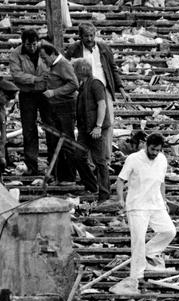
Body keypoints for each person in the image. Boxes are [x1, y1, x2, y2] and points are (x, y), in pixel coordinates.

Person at [110, 133, 176, 295]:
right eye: (153, 149)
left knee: (169, 231)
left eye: (158, 150)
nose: (155, 153)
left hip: (156, 204)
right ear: (146, 145)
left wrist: (165, 201)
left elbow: (161, 182)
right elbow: (120, 180)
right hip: (137, 205)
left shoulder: (162, 159)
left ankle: (150, 251)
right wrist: (120, 200)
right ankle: (136, 276)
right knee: (138, 240)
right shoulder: (133, 158)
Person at [65, 22, 130, 167]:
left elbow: (113, 69)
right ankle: (90, 162)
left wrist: (121, 89)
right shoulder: (73, 50)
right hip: (84, 90)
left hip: (103, 89)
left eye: (91, 35)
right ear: (80, 36)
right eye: (86, 36)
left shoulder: (104, 48)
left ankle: (105, 160)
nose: (89, 39)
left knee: (106, 124)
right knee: (86, 125)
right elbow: (67, 68)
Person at [9, 28, 51, 176]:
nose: (32, 48)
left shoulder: (45, 49)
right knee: (29, 129)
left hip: (46, 93)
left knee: (50, 126)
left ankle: (54, 164)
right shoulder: (16, 54)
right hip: (27, 94)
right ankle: (31, 164)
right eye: (28, 45)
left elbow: (54, 64)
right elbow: (16, 74)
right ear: (23, 43)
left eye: (34, 44)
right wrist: (35, 79)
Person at [39, 42, 79, 185]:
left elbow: (74, 84)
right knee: (56, 141)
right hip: (56, 108)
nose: (44, 61)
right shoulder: (54, 66)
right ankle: (60, 176)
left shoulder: (64, 64)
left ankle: (69, 177)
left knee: (67, 141)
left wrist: (54, 92)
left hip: (66, 108)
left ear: (53, 54)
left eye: (45, 58)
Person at [72, 58, 110, 202]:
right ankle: (92, 186)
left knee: (100, 161)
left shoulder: (95, 84)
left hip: (95, 130)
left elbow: (102, 105)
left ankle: (104, 193)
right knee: (78, 156)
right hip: (84, 129)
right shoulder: (83, 86)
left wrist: (98, 126)